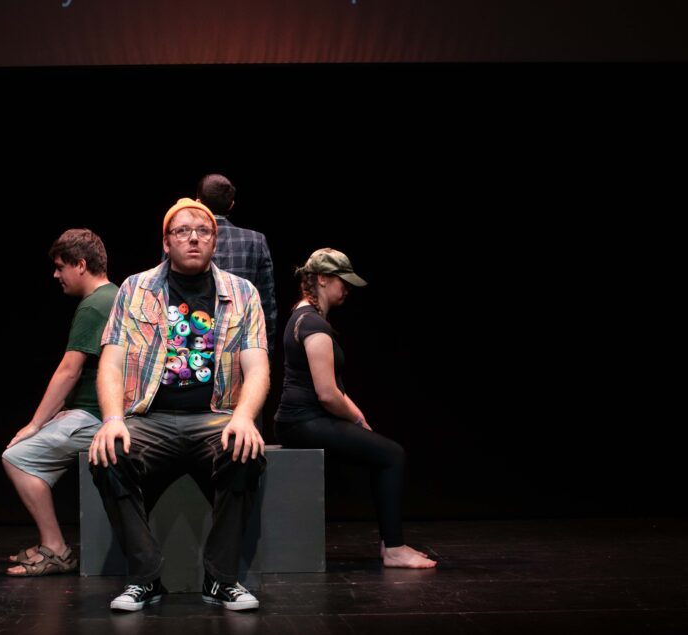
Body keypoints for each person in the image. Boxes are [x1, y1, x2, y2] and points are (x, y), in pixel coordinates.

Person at [89, 198, 269, 611]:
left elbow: (257, 366)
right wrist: (112, 418)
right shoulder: (135, 289)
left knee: (245, 452)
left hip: (214, 417)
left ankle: (221, 580)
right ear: (166, 242)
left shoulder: (243, 293)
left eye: (202, 231)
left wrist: (244, 417)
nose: (193, 237)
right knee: (107, 454)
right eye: (182, 231)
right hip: (150, 417)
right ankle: (146, 578)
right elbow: (112, 362)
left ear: (215, 241)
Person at [274, 248, 437, 569]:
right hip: (304, 421)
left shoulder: (303, 315)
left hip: (299, 420)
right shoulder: (314, 327)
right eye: (341, 281)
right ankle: (393, 548)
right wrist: (357, 418)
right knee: (393, 455)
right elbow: (327, 394)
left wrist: (356, 419)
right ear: (322, 279)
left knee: (384, 454)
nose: (346, 288)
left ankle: (392, 544)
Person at [1, 228, 119, 576]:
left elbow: (69, 370)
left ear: (80, 265)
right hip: (93, 411)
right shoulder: (114, 296)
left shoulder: (94, 305)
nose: (56, 275)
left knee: (17, 457)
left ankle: (56, 549)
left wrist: (35, 424)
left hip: (98, 417)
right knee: (32, 452)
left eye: (60, 267)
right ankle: (52, 545)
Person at [196, 174, 278, 353]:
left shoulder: (181, 240)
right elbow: (267, 308)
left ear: (198, 203)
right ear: (231, 204)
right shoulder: (255, 242)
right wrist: (266, 356)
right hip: (243, 347)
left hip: (193, 345)